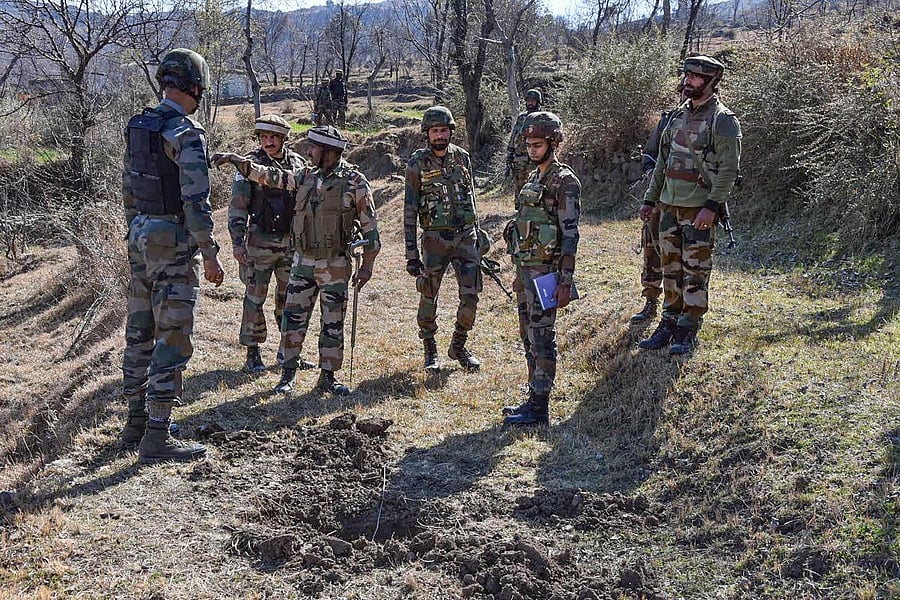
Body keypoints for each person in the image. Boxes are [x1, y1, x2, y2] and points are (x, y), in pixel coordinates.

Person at [212, 125, 380, 395]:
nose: (308, 151)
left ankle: (328, 377)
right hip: (302, 262)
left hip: (335, 264)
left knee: (333, 321)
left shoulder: (355, 182)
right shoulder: (304, 176)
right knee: (292, 319)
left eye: (314, 148)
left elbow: (370, 228)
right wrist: (236, 160)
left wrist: (368, 266)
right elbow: (269, 176)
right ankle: (287, 374)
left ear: (328, 152)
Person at [120, 48, 225, 464]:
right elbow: (196, 202)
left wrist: (135, 231)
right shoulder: (185, 132)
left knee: (139, 329)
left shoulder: (140, 125)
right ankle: (158, 435)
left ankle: (135, 422)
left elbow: (129, 189)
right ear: (195, 87)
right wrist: (210, 254)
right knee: (173, 333)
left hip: (140, 234)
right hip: (172, 240)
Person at [638, 55, 741, 355]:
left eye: (696, 77)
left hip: (698, 209)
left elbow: (728, 170)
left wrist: (712, 206)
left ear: (710, 82)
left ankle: (688, 328)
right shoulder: (676, 117)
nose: (688, 81)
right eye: (687, 75)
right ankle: (669, 322)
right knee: (670, 268)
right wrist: (650, 199)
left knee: (695, 270)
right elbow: (663, 162)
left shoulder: (723, 120)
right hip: (668, 206)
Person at [501, 111, 581, 427]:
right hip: (527, 271)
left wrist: (565, 281)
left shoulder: (565, 182)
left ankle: (540, 408)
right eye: (529, 145)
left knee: (543, 338)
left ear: (553, 143)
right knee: (528, 336)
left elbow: (570, 235)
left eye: (538, 145)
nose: (532, 150)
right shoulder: (534, 178)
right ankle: (533, 397)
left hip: (548, 274)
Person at [228, 114, 314, 373]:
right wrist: (237, 243)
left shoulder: (297, 163)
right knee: (254, 298)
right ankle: (253, 352)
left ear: (283, 138)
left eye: (274, 137)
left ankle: (290, 352)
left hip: (291, 244)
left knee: (291, 300)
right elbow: (238, 206)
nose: (268, 142)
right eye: (264, 137)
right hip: (259, 242)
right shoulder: (249, 165)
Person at [404, 106, 483, 373]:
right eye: (435, 131)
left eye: (444, 130)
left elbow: (471, 197)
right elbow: (409, 211)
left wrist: (479, 235)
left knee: (471, 296)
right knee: (429, 294)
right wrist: (411, 255)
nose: (440, 135)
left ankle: (459, 345)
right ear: (427, 134)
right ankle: (430, 350)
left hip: (465, 237)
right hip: (434, 240)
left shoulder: (462, 158)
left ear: (451, 131)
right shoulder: (416, 163)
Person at [631, 87, 684, 323]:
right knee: (652, 248)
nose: (685, 95)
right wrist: (653, 174)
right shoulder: (667, 121)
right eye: (682, 90)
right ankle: (651, 301)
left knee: (684, 256)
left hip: (689, 202)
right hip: (660, 197)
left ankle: (681, 310)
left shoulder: (712, 121)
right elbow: (649, 155)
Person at [506, 89, 543, 190]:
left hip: (535, 160)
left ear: (538, 102)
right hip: (520, 160)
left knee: (534, 189)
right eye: (528, 100)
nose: (530, 103)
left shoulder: (543, 118)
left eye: (533, 101)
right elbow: (514, 136)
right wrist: (510, 155)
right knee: (519, 189)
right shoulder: (522, 117)